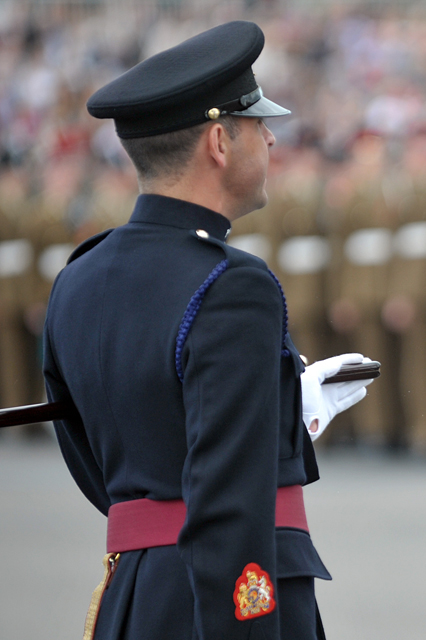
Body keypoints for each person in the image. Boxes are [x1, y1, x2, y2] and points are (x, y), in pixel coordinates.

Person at [42, 21, 373, 640]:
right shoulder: (231, 284)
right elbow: (226, 497)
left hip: (137, 593)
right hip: (220, 605)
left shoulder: (78, 277)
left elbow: (101, 457)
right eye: (258, 125)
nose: (272, 139)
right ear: (220, 141)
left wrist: (283, 407)